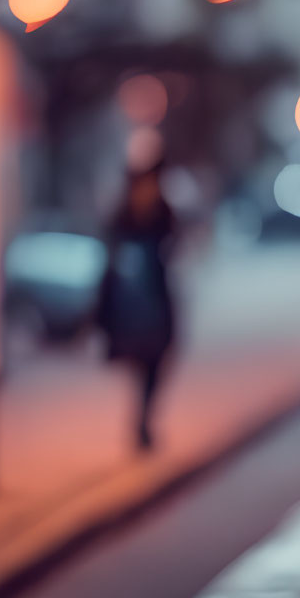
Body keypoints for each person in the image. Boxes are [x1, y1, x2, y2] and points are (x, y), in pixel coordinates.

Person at [96, 150, 178, 452]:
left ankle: (142, 420)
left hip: (149, 301)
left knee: (155, 363)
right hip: (136, 304)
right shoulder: (129, 215)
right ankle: (141, 422)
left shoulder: (156, 212)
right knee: (146, 363)